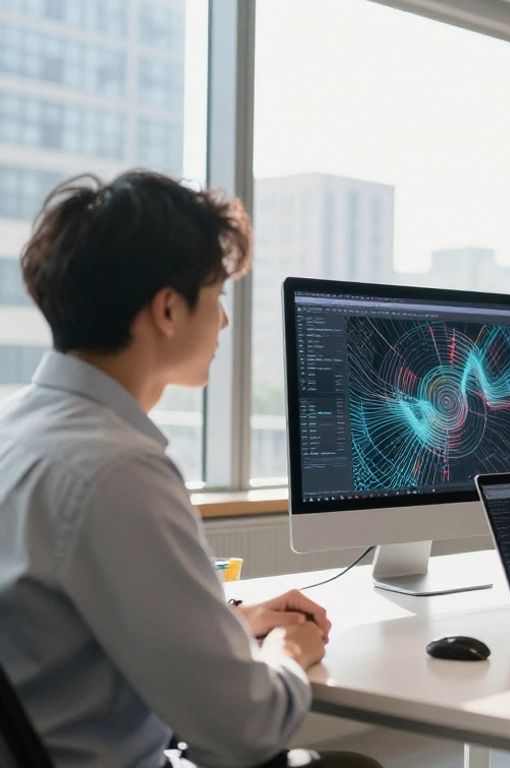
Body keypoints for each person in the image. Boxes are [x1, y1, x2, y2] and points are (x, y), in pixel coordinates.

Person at [0, 172, 381, 768]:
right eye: (219, 295)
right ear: (169, 309)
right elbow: (246, 730)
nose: (225, 323)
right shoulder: (117, 471)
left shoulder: (17, 431)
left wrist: (232, 622)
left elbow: (62, 621)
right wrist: (286, 648)